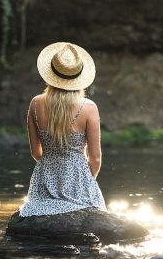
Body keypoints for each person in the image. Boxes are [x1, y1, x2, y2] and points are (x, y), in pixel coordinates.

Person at [18, 42, 106, 217]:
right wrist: (84, 183)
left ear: (51, 74)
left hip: (44, 182)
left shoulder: (35, 104)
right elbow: (95, 159)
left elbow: (36, 152)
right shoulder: (89, 107)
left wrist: (52, 175)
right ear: (79, 78)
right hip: (79, 183)